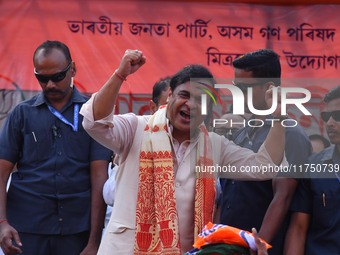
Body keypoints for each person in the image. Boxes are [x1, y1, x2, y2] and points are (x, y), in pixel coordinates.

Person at [80, 49, 287, 254]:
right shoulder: (136, 129)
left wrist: (277, 117)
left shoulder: (215, 145)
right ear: (170, 95)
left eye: (202, 100)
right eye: (185, 95)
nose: (191, 105)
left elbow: (265, 166)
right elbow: (94, 122)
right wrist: (120, 75)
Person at [0, 40, 112, 255]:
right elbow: (1, 172)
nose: (50, 84)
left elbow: (99, 178)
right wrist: (2, 223)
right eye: (42, 78)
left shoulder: (92, 114)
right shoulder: (22, 114)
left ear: (73, 69)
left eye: (57, 77)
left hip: (76, 230)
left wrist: (94, 242)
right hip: (25, 229)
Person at [219, 49, 312, 255]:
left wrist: (259, 245)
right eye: (236, 87)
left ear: (270, 88)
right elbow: (226, 196)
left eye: (245, 87)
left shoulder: (292, 134)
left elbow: (283, 197)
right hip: (228, 246)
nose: (238, 94)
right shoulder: (242, 132)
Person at [102, 76, 171, 229]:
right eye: (168, 106)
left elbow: (216, 197)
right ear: (153, 108)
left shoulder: (199, 145)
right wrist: (120, 75)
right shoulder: (135, 133)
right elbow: (110, 195)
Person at [284, 86, 340, 255]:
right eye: (325, 116)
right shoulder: (312, 166)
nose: (329, 122)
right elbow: (298, 228)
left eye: (337, 116)